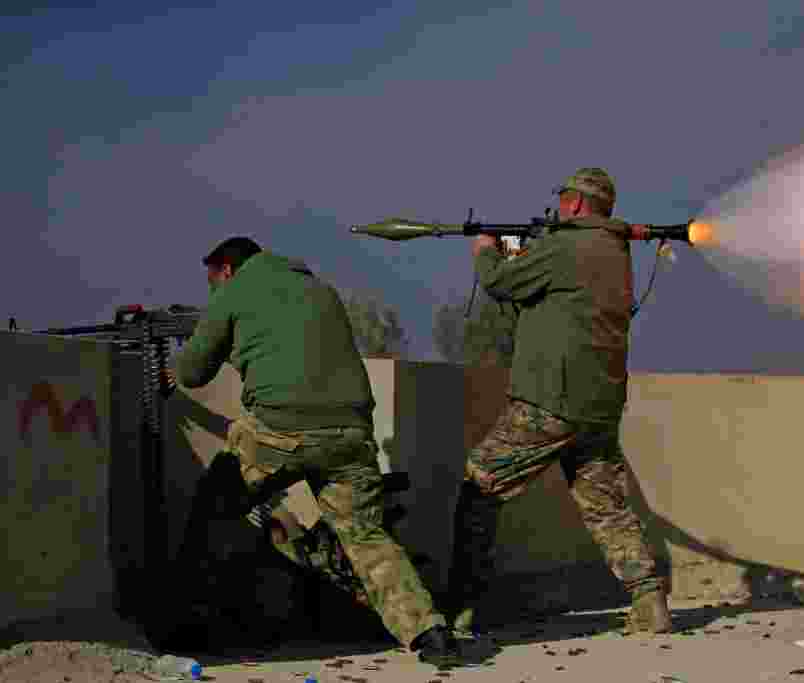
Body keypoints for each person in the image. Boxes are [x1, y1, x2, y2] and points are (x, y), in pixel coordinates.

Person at [164, 236, 458, 664]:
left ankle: (189, 623)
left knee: (216, 505)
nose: (213, 290)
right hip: (351, 432)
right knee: (366, 537)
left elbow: (191, 373)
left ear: (227, 269)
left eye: (213, 281)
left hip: (280, 432)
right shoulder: (318, 288)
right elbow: (287, 353)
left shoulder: (237, 290)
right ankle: (430, 632)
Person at [447, 168, 672, 635]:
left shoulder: (565, 245)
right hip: (598, 403)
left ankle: (460, 610)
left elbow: (502, 285)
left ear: (573, 204)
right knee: (606, 505)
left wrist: (488, 252)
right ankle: (649, 602)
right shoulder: (614, 250)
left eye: (564, 200)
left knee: (480, 486)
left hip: (550, 398)